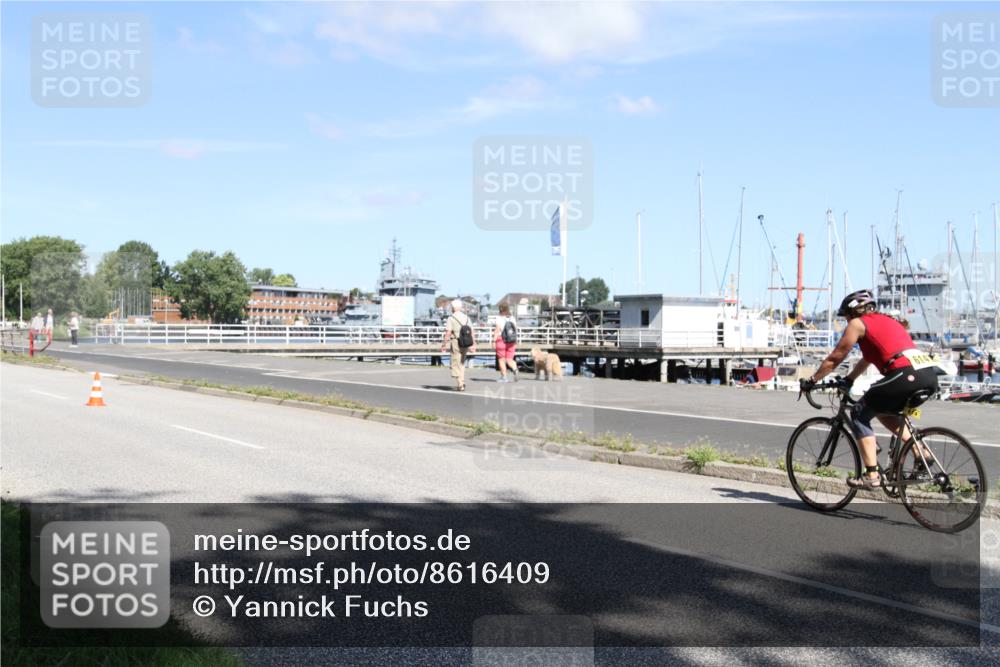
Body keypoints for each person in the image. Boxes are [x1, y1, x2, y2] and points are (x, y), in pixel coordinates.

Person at [801, 289, 939, 489]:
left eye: (846, 316)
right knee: (883, 411)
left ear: (853, 311)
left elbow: (835, 358)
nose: (846, 320)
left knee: (858, 414)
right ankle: (921, 452)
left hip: (904, 375)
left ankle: (872, 475)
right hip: (927, 375)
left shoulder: (857, 324)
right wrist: (850, 379)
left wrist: (812, 381)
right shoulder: (889, 320)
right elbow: (868, 358)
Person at [440, 299, 475, 391]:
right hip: (466, 343)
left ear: (453, 308)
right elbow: (472, 332)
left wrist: (444, 344)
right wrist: (473, 344)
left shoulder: (451, 318)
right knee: (462, 363)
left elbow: (448, 333)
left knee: (455, 363)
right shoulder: (467, 317)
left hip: (456, 342)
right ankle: (462, 381)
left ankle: (460, 384)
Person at [491, 302, 518, 382]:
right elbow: (515, 329)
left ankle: (504, 377)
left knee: (501, 359)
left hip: (501, 340)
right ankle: (515, 369)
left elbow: (497, 330)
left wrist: (493, 341)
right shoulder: (512, 318)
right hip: (511, 341)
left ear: (500, 309)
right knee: (509, 359)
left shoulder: (499, 318)